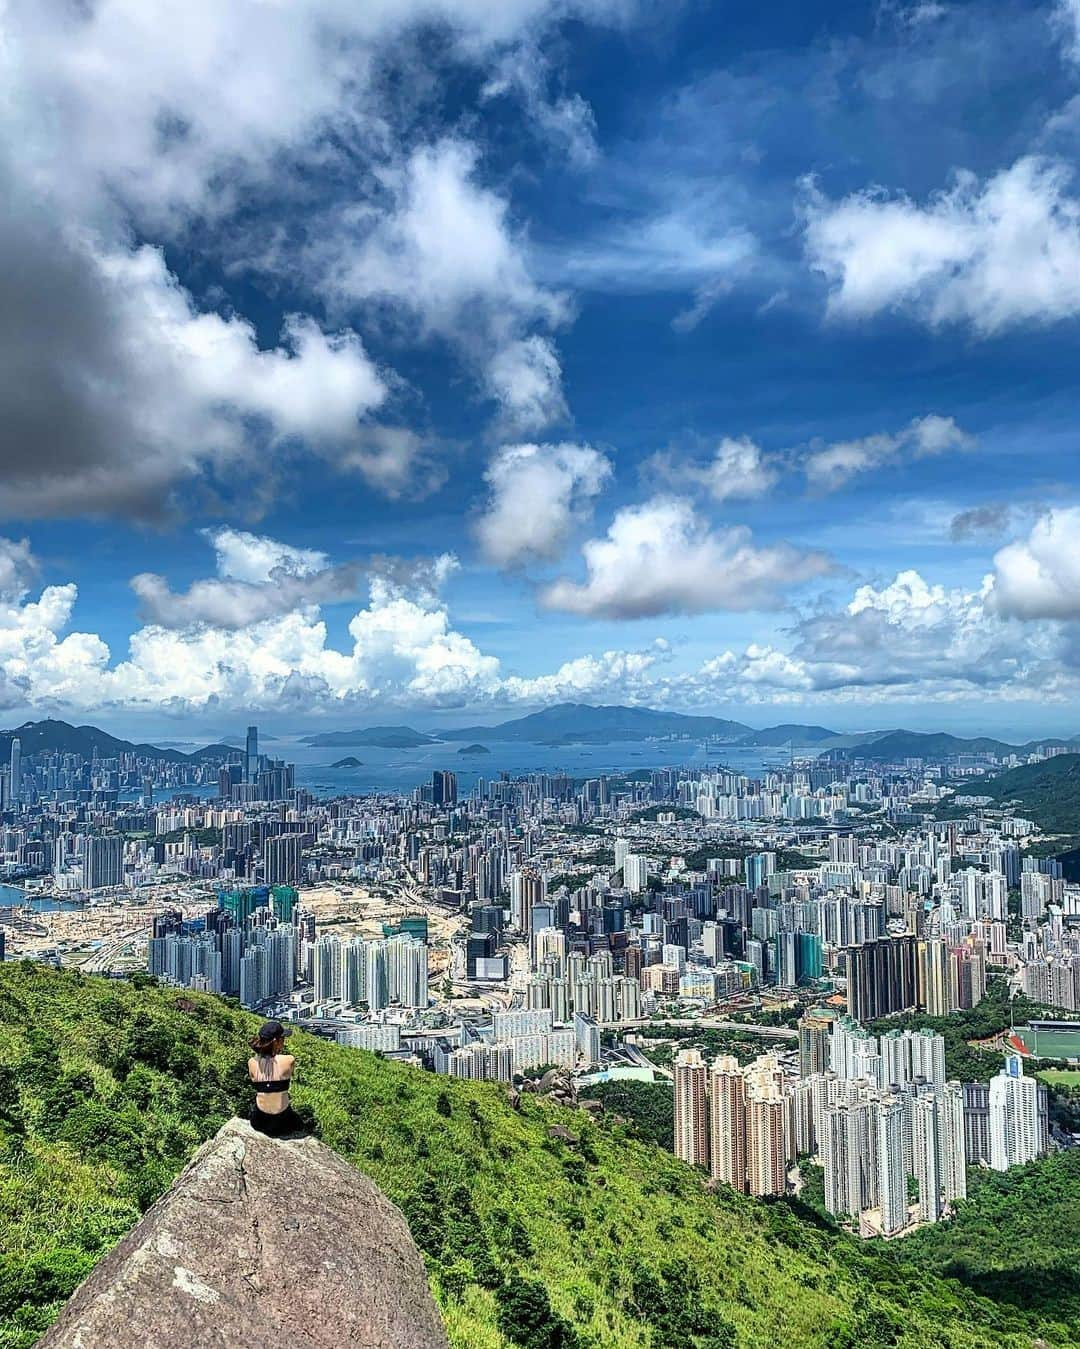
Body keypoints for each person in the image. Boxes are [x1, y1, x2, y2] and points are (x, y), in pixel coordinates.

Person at [247, 1019, 303, 1138]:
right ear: (275, 1041)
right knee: (299, 1123)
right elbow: (288, 1073)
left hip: (259, 1121)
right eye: (282, 1039)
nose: (284, 1042)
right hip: (283, 1121)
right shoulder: (289, 1060)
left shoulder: (252, 1063)